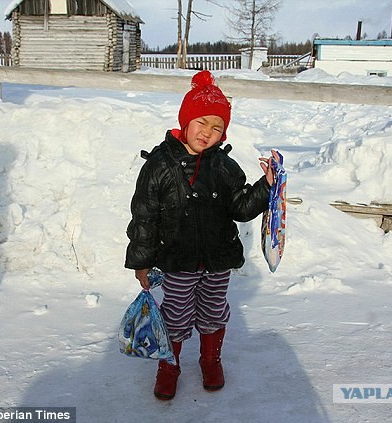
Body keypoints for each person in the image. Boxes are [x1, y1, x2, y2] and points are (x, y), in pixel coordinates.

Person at [125, 70, 278, 400]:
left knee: (213, 310)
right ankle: (169, 366)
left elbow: (240, 207)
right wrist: (141, 262)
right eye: (201, 123)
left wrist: (265, 187)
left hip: (218, 259)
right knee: (176, 316)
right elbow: (144, 218)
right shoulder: (159, 166)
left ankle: (211, 359)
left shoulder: (224, 166)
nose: (207, 133)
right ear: (185, 120)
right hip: (178, 260)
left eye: (217, 127)